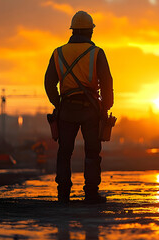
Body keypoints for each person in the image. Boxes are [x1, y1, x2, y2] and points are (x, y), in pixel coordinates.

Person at [44, 11, 114, 204]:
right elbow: (107, 82)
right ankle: (91, 193)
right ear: (90, 32)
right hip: (90, 110)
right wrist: (105, 107)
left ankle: (63, 195)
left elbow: (49, 83)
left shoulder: (58, 53)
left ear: (73, 30)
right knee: (92, 152)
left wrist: (59, 104)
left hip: (67, 109)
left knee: (64, 152)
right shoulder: (97, 53)